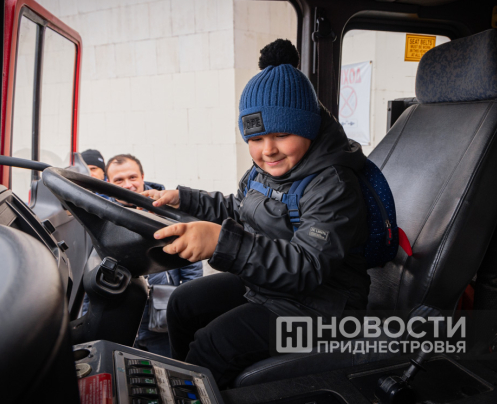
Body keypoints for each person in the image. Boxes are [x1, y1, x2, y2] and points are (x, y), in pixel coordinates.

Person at [142, 39, 370, 387]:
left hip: (322, 310)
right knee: (184, 303)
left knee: (213, 345)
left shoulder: (333, 184)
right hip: (272, 288)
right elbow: (238, 208)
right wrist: (183, 200)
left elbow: (306, 266)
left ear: (308, 128)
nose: (268, 150)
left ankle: (194, 390)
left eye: (282, 134)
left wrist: (222, 242)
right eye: (256, 138)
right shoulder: (266, 171)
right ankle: (181, 385)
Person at [105, 153, 203, 357]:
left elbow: (190, 259)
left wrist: (186, 299)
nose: (128, 185)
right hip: (124, 314)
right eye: (119, 180)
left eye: (132, 177)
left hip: (163, 312)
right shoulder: (100, 215)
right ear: (108, 183)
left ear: (142, 176)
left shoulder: (167, 209)